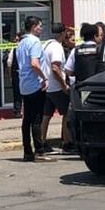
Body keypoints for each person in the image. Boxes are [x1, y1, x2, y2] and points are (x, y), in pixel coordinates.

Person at [16, 16, 53, 162]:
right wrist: (44, 78)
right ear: (33, 27)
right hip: (36, 85)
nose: (41, 28)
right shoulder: (35, 42)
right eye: (39, 26)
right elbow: (34, 63)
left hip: (24, 85)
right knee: (37, 118)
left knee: (27, 120)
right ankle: (39, 151)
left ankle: (27, 151)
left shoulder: (21, 43)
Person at [41, 24, 75, 153]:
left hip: (47, 86)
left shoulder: (46, 45)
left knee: (46, 115)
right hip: (56, 87)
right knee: (66, 114)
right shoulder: (56, 47)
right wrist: (63, 85)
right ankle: (67, 143)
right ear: (63, 33)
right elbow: (55, 68)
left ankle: (42, 142)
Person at [6, 33, 23, 117]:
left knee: (17, 93)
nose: (15, 40)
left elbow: (9, 63)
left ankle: (17, 111)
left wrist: (11, 76)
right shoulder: (27, 48)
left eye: (17, 39)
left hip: (16, 73)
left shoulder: (14, 48)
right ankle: (19, 111)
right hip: (24, 73)